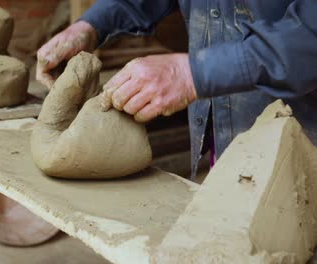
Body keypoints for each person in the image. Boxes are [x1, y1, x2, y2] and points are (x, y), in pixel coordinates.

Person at [36, 0, 317, 178]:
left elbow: (308, 36)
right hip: (226, 130)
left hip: (304, 133)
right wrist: (92, 25)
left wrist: (192, 74)